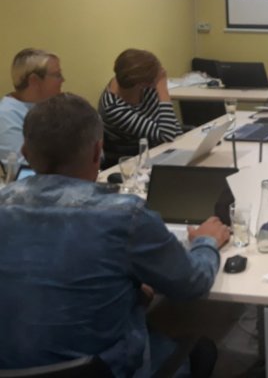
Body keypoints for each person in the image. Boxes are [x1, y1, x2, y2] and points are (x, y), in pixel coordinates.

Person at [0, 93, 230, 376]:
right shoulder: (124, 216)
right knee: (202, 349)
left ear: (24, 152)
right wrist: (207, 241)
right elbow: (193, 284)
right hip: (104, 369)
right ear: (98, 151)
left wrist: (127, 292)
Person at [99, 48, 182, 165]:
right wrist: (162, 89)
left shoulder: (143, 86)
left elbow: (174, 130)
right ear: (141, 84)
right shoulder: (113, 108)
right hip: (133, 159)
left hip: (155, 146)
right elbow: (167, 135)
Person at [0, 48, 64, 161]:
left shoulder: (47, 106)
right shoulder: (6, 116)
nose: (62, 80)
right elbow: (21, 166)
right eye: (57, 75)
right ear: (34, 80)